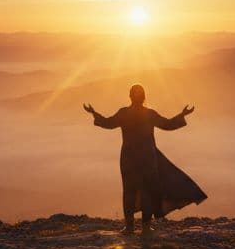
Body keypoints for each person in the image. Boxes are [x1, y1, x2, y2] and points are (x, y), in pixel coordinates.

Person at [84, 84, 206, 235]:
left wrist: (93, 113)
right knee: (147, 191)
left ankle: (129, 228)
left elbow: (108, 123)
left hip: (128, 158)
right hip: (147, 158)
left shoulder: (124, 113)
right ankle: (146, 227)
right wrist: (182, 115)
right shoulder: (149, 114)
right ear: (144, 97)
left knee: (129, 191)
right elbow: (167, 125)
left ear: (130, 96)